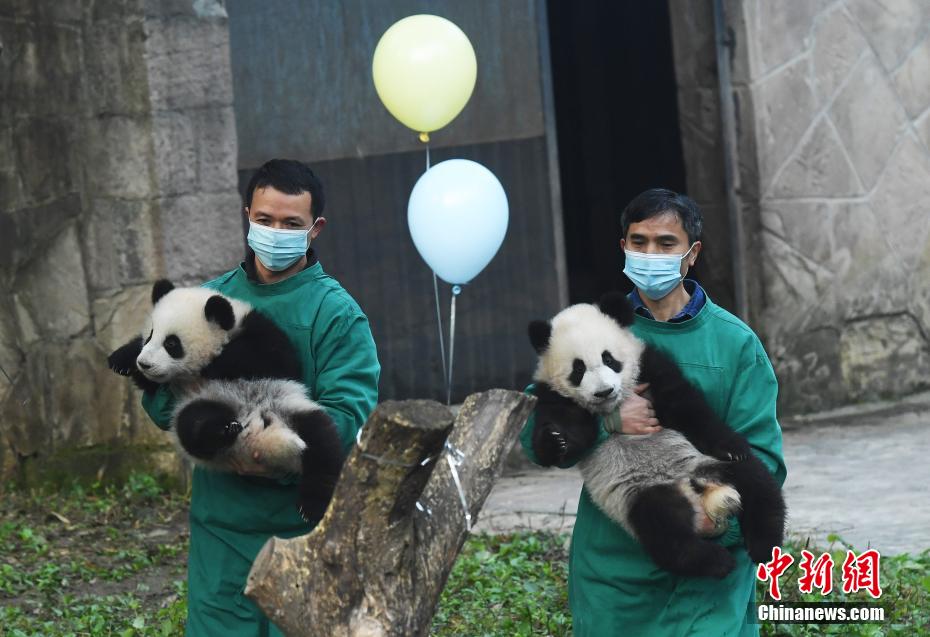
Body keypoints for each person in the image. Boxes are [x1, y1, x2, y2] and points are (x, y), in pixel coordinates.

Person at [520, 188, 786, 636]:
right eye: (639, 241)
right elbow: (538, 436)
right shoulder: (584, 329)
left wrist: (720, 523)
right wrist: (607, 422)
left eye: (666, 243)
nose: (650, 253)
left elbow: (763, 457)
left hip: (707, 592)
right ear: (623, 247)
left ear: (692, 253)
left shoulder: (736, 345)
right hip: (616, 577)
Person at [141, 159, 380, 636]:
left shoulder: (336, 314)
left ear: (315, 230)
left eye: (291, 223)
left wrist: (267, 451)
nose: (275, 232)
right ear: (247, 213)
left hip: (301, 528)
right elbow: (157, 392)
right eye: (265, 219)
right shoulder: (204, 301)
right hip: (223, 529)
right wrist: (203, 428)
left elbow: (349, 413)